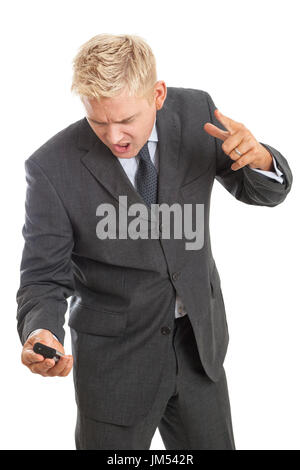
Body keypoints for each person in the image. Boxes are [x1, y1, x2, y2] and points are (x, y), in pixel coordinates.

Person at [16, 33, 293, 450]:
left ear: (158, 94)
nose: (114, 137)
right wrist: (41, 330)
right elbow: (42, 277)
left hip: (200, 351)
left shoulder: (197, 112)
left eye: (127, 119)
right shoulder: (51, 167)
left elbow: (261, 192)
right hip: (115, 367)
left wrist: (263, 161)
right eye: (98, 122)